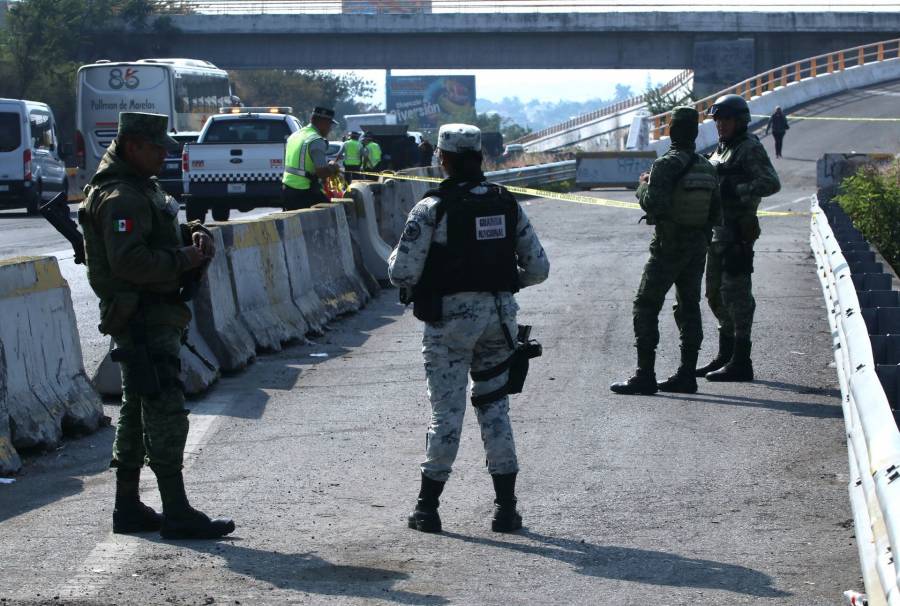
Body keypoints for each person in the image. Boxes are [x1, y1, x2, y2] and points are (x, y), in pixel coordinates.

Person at [79, 112, 234, 540]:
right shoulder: (121, 197)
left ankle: (127, 505)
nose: (164, 155)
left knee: (135, 410)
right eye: (156, 148)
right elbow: (130, 262)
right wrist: (186, 258)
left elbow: (158, 231)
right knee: (164, 409)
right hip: (144, 317)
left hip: (151, 314)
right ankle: (177, 510)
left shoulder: (139, 187)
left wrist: (194, 233)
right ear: (132, 146)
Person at [388, 123, 549, 535]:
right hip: (499, 319)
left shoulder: (432, 208)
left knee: (447, 414)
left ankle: (427, 509)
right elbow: (538, 268)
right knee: (495, 409)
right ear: (479, 156)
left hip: (450, 324)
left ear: (443, 158)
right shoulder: (506, 203)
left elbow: (401, 272)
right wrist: (502, 281)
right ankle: (506, 510)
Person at [611, 107, 722, 395]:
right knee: (689, 306)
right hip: (697, 248)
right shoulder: (707, 167)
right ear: (695, 133)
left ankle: (645, 375)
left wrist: (642, 187)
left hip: (668, 247)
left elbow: (654, 204)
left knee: (646, 304)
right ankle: (687, 374)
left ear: (671, 131)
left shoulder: (665, 164)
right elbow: (716, 213)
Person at [698, 94, 781, 382]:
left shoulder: (748, 148)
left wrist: (739, 189)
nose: (720, 125)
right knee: (714, 294)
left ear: (740, 121)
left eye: (726, 120)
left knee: (737, 296)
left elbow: (771, 183)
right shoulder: (722, 149)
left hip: (737, 233)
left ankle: (741, 360)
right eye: (717, 120)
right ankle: (726, 353)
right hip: (717, 233)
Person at [282, 106, 340, 210]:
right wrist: (333, 167)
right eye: (329, 125)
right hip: (304, 191)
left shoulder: (295, 135)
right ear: (322, 123)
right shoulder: (316, 140)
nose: (330, 129)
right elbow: (322, 173)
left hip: (287, 188)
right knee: (333, 211)